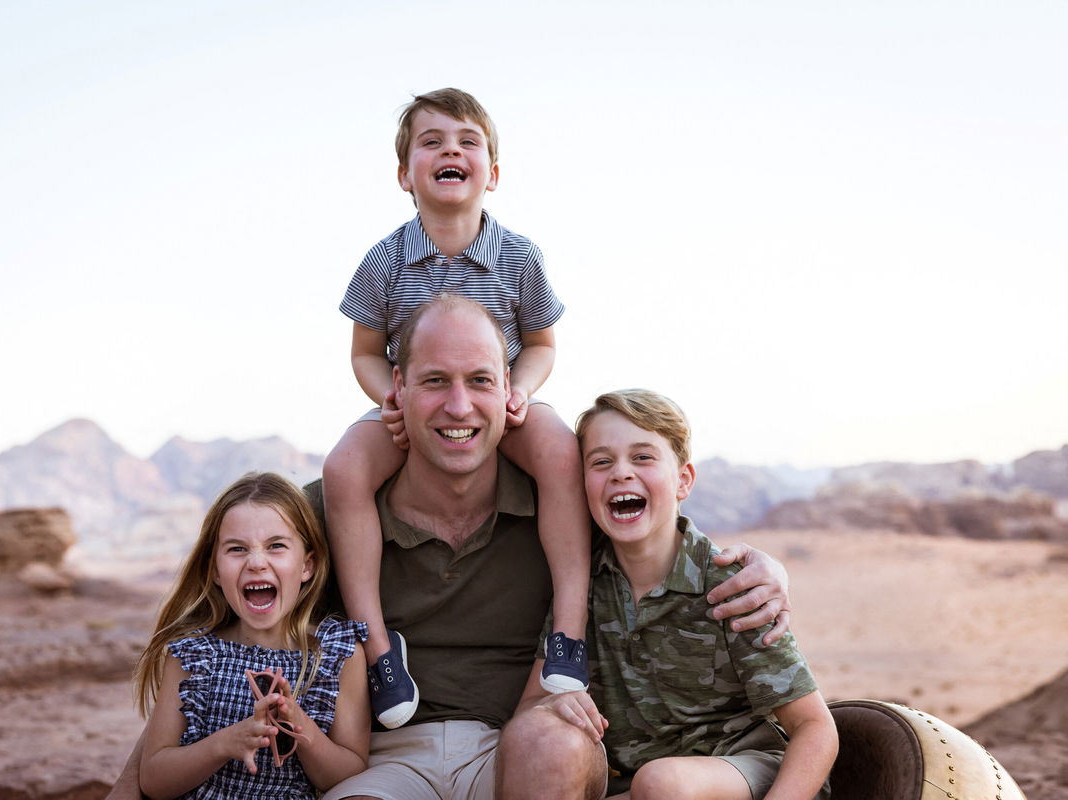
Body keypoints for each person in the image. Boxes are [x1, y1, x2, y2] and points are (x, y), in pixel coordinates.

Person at [106, 295, 794, 800]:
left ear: (510, 395)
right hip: (383, 761)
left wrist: (768, 567)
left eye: (480, 382)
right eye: (435, 380)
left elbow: (656, 533)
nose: (458, 406)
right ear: (397, 390)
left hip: (521, 750)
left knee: (551, 741)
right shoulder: (333, 517)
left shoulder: (563, 509)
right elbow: (216, 639)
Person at [322, 87, 593, 728]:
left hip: (499, 404)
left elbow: (542, 343)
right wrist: (385, 395)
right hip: (415, 407)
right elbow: (363, 351)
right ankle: (378, 649)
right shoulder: (386, 259)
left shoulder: (519, 255)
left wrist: (519, 389)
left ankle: (570, 631)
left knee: (559, 449)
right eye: (433, 142)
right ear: (404, 173)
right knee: (343, 470)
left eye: (468, 141)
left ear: (492, 174)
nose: (452, 150)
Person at [516, 390, 838, 800]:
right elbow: (529, 709)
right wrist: (551, 707)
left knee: (662, 781)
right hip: (644, 787)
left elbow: (815, 727)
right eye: (601, 461)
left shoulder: (730, 585)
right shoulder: (582, 586)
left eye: (643, 457)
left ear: (683, 480)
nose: (621, 473)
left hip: (749, 771)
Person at [131, 472, 370, 800]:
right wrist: (224, 744)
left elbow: (346, 774)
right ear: (214, 570)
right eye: (237, 549)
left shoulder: (336, 654)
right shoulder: (194, 654)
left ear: (307, 566)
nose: (257, 562)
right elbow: (154, 781)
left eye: (276, 546)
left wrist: (298, 725)